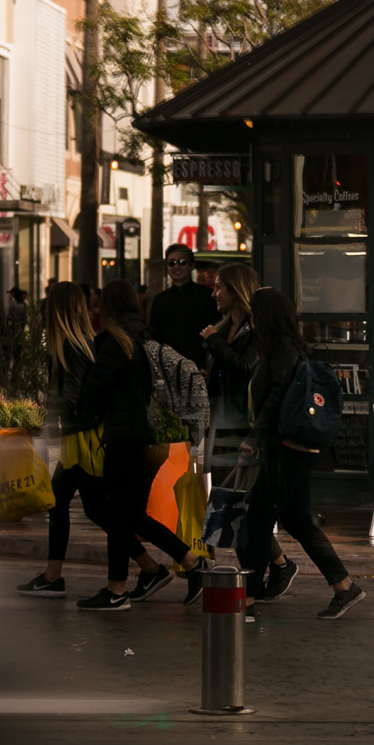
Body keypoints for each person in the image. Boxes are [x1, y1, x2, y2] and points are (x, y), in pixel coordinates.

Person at [70, 278, 209, 612]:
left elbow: (93, 392)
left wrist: (84, 416)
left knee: (119, 514)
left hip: (126, 437)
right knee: (130, 514)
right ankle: (191, 564)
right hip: (154, 438)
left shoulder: (115, 342)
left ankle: (116, 589)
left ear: (108, 307)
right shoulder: (147, 336)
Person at [236, 287, 363, 619]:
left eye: (254, 311)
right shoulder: (289, 348)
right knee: (296, 519)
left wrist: (254, 436)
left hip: (286, 448)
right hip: (297, 448)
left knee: (257, 521)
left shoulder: (281, 350)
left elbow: (276, 395)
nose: (251, 316)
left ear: (265, 316)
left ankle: (247, 601)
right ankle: (345, 587)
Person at [202, 262, 260, 445]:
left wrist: (216, 342)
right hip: (219, 420)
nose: (213, 294)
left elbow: (244, 367)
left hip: (244, 423)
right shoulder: (223, 328)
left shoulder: (256, 328)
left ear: (235, 290)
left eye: (218, 288)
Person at [148, 242, 220, 366]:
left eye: (182, 262)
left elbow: (216, 331)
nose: (176, 266)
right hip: (168, 369)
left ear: (192, 265)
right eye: (171, 263)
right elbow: (154, 338)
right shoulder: (160, 300)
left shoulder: (207, 296)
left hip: (199, 368)